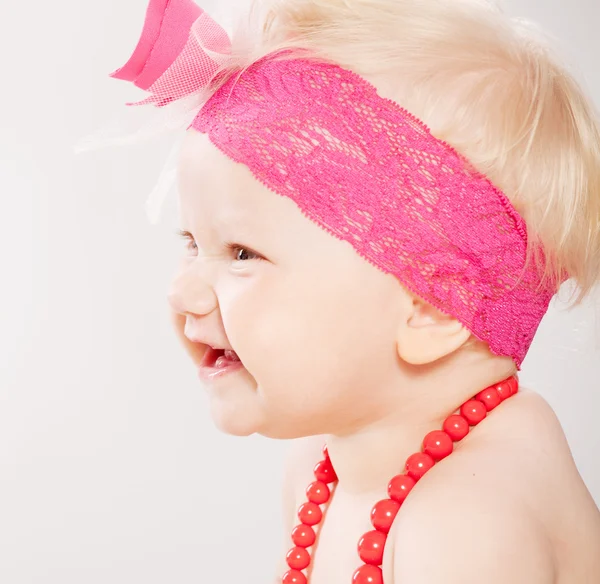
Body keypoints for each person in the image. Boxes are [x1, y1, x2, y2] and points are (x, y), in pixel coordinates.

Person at [106, 0, 600, 581]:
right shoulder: (323, 466)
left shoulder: (466, 520)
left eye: (242, 254)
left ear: (431, 306)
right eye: (192, 242)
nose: (184, 292)